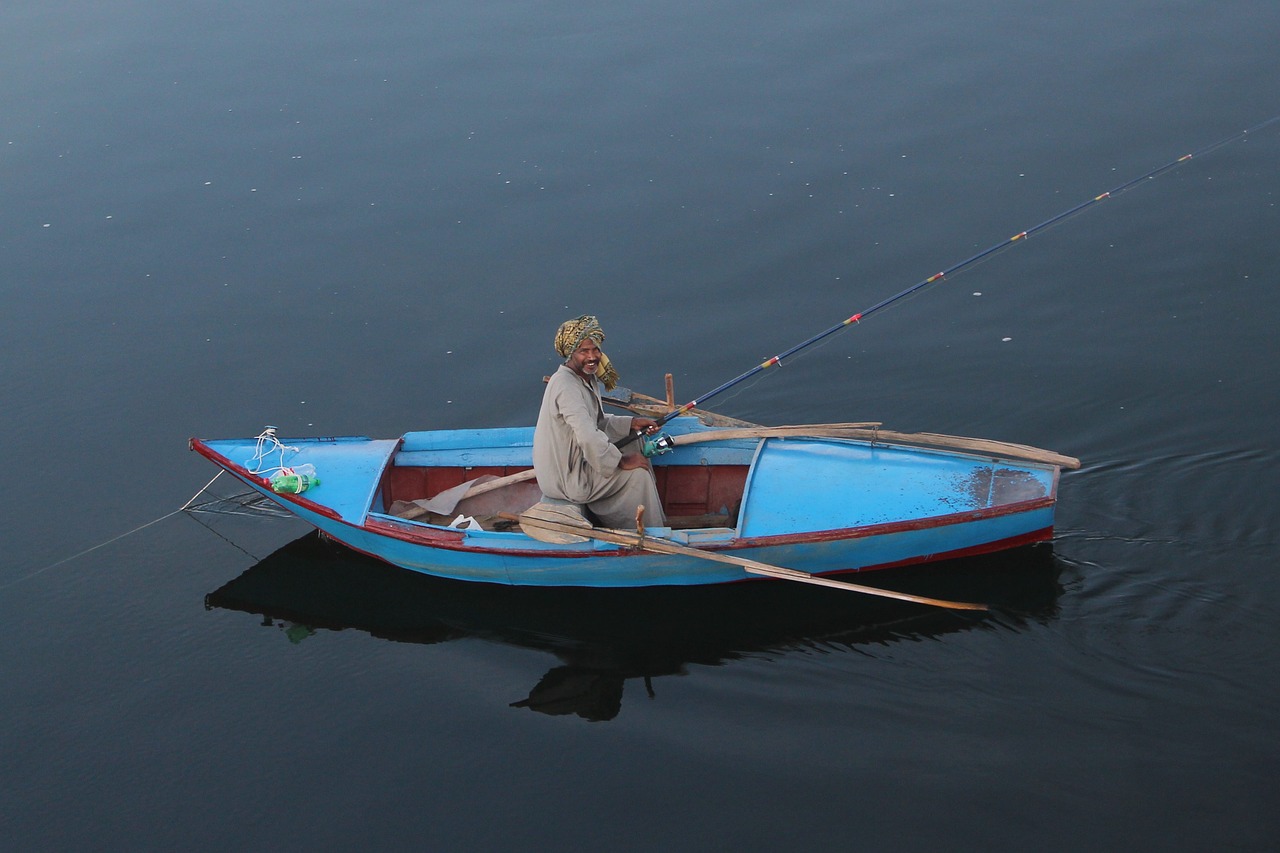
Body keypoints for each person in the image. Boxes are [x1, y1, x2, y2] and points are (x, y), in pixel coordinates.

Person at [532, 315, 667, 529]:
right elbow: (587, 436)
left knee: (634, 441)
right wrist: (620, 461)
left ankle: (645, 520)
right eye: (584, 351)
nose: (592, 357)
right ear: (570, 353)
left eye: (595, 350)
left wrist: (632, 423)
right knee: (638, 475)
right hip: (567, 479)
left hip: (575, 465)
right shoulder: (566, 387)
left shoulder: (585, 378)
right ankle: (649, 534)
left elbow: (596, 423)